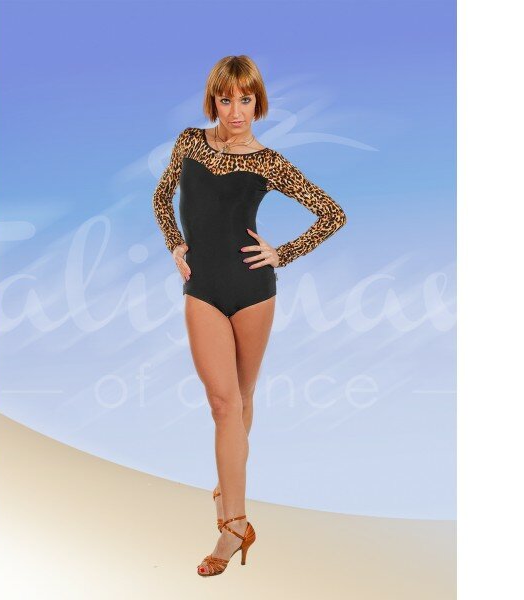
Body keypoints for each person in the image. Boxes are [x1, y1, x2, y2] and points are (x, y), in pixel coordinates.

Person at [152, 55, 347, 576]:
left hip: (253, 291)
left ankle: (228, 494)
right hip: (203, 289)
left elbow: (332, 214)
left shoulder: (269, 162)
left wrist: (284, 253)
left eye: (245, 99)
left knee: (241, 398)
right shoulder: (190, 143)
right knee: (222, 403)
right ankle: (235, 524)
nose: (235, 111)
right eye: (226, 99)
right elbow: (161, 197)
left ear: (257, 102)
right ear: (213, 101)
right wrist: (175, 244)